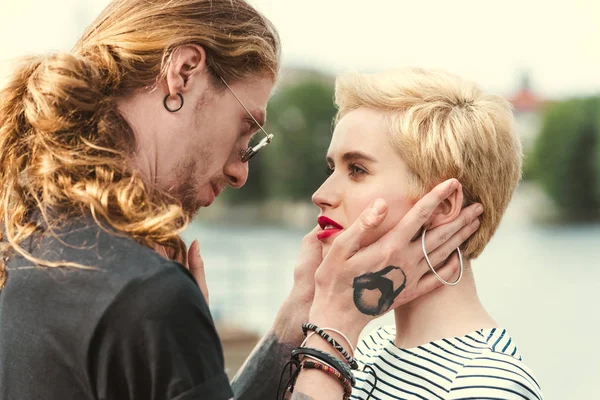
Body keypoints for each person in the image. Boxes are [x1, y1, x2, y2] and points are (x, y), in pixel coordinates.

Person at [0, 1, 480, 399]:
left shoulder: (27, 239)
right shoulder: (141, 293)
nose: (240, 171)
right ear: (184, 73)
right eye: (246, 127)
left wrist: (297, 314)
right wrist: (336, 326)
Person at [286, 68, 543, 399]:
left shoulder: (486, 383)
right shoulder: (366, 350)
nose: (321, 193)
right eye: (331, 168)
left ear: (442, 206)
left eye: (357, 170)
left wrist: (332, 323)